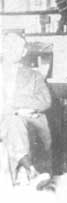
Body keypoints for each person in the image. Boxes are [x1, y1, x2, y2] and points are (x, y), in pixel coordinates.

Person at [0, 31, 52, 189]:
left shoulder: (34, 76)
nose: (11, 49)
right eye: (8, 44)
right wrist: (16, 110)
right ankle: (31, 171)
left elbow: (45, 102)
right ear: (1, 47)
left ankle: (27, 170)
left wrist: (15, 106)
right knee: (13, 120)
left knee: (14, 122)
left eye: (17, 46)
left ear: (23, 52)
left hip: (28, 122)